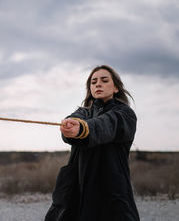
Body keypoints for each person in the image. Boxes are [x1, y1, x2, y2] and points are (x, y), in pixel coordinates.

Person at [45, 65, 140, 221]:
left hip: (111, 189)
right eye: (93, 82)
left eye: (104, 80)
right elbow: (72, 125)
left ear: (116, 87)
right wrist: (70, 127)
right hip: (77, 187)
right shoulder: (82, 113)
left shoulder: (125, 114)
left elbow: (107, 124)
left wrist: (84, 128)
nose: (98, 84)